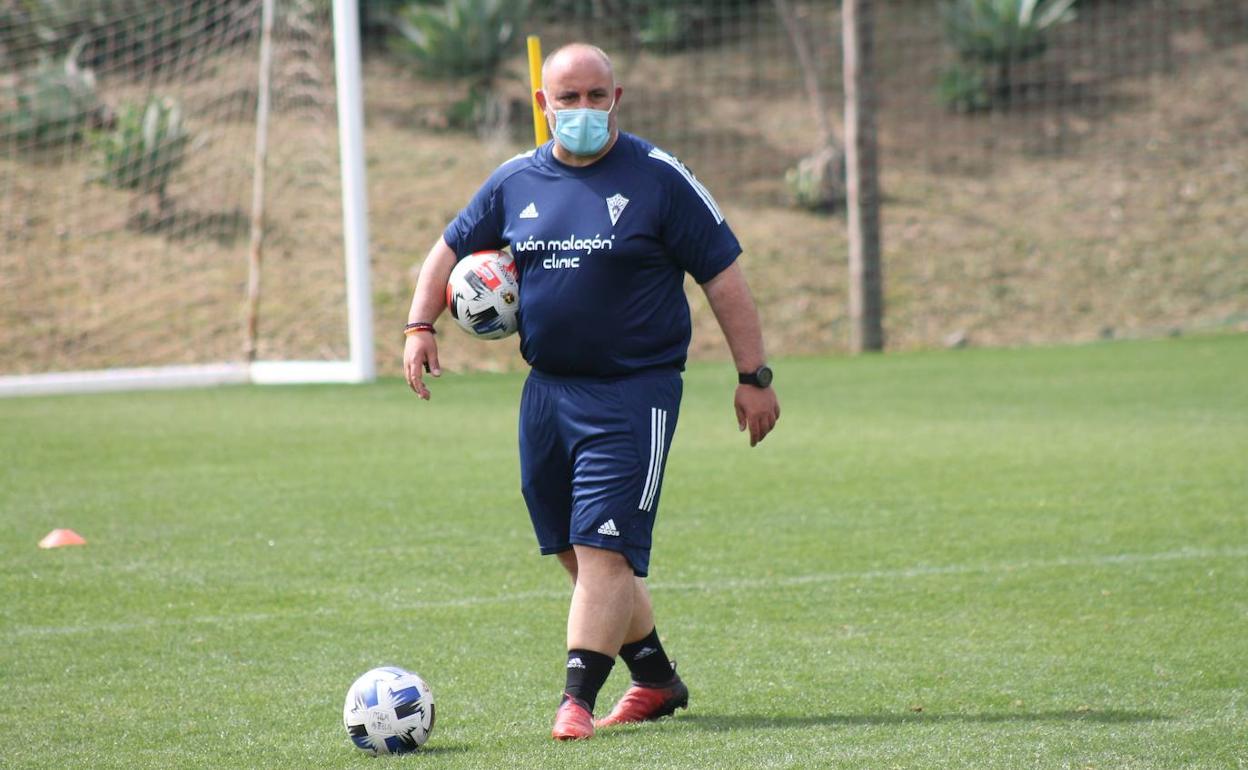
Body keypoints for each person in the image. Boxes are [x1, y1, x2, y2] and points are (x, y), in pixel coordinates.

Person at [402, 42, 780, 740]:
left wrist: (753, 377)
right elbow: (448, 248)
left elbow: (724, 277)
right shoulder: (515, 180)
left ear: (617, 98)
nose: (582, 110)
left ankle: (575, 699)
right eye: (567, 99)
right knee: (574, 552)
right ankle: (658, 680)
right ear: (544, 107)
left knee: (605, 552)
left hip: (635, 393)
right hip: (547, 394)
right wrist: (420, 323)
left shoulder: (659, 177)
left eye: (595, 96)